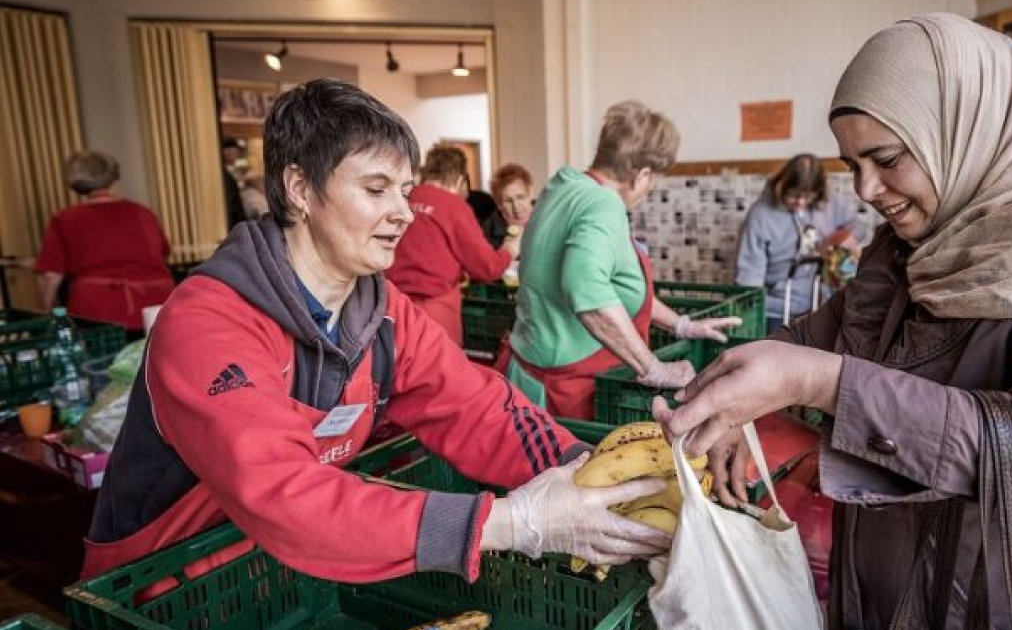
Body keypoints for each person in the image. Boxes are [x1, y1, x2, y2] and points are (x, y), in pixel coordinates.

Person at [656, 13, 1012, 629]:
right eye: (851, 164)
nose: (865, 187)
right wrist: (740, 400)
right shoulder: (919, 249)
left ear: (967, 129)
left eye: (885, 158)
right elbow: (819, 336)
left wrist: (823, 384)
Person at [82, 78, 670, 586]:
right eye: (375, 189)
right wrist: (514, 523)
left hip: (292, 572)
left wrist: (588, 470)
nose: (404, 213)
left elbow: (479, 409)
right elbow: (288, 496)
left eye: (406, 191)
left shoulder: (382, 311)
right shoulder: (209, 323)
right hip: (169, 586)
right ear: (298, 188)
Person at [501, 101, 741, 420]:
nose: (649, 190)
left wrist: (682, 325)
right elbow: (585, 286)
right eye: (653, 180)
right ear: (641, 175)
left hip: (526, 372)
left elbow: (613, 287)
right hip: (567, 393)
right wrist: (651, 367)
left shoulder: (563, 185)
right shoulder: (604, 204)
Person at [387, 147, 521, 344]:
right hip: (434, 313)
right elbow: (487, 268)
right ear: (460, 180)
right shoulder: (453, 206)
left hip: (391, 307)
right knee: (438, 371)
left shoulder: (401, 199)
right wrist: (509, 250)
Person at [34, 150, 175, 333]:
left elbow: (50, 274)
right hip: (157, 305)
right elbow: (162, 253)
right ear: (113, 177)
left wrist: (45, 312)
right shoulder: (143, 213)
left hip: (98, 309)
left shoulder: (66, 219)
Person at [734, 154, 862, 334]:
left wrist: (839, 239)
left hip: (821, 304)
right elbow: (749, 274)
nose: (801, 203)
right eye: (794, 196)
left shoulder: (828, 201)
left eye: (807, 197)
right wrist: (748, 316)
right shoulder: (759, 215)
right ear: (781, 186)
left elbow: (855, 227)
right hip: (777, 309)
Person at [482, 163, 535, 248]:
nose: (516, 207)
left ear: (531, 193)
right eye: (508, 201)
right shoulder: (486, 232)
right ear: (498, 203)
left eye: (520, 197)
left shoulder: (550, 218)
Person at [221, 137, 245, 229]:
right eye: (230, 151)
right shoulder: (224, 176)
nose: (234, 154)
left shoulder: (232, 172)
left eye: (235, 152)